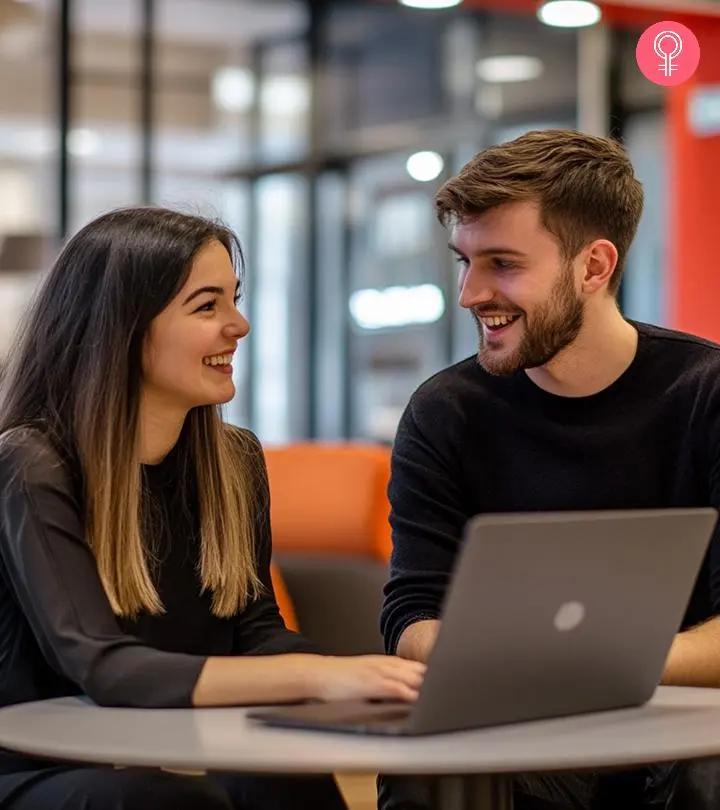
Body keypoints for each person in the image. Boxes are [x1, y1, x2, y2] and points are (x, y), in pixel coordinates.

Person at [0, 206, 425, 810]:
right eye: (207, 306)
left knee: (291, 778)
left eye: (236, 299)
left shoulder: (233, 463)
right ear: (122, 327)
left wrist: (370, 681)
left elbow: (255, 634)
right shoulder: (30, 464)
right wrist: (318, 676)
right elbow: (103, 667)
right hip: (28, 769)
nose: (240, 325)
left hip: (151, 755)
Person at [377, 129, 720, 810]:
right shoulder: (446, 413)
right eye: (464, 262)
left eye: (501, 263)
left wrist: (580, 666)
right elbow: (411, 617)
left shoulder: (705, 394)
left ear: (593, 267)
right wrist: (531, 668)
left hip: (683, 725)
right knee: (427, 770)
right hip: (523, 729)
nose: (471, 294)